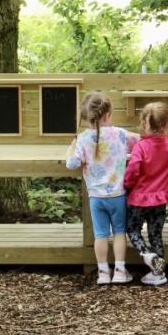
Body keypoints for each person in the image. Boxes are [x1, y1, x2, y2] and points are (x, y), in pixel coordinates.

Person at [66, 92, 141, 285]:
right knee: (119, 232)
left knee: (100, 235)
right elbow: (139, 142)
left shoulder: (82, 139)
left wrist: (71, 147)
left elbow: (72, 164)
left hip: (96, 198)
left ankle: (103, 273)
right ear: (107, 114)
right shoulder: (120, 134)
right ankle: (120, 271)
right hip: (118, 195)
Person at [124, 102, 168, 286]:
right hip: (160, 200)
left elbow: (133, 170)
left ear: (144, 124)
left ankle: (146, 255)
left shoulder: (140, 147)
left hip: (138, 199)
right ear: (167, 123)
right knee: (156, 234)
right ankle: (158, 273)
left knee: (133, 229)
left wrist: (126, 184)